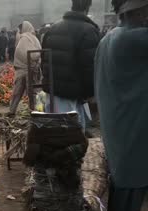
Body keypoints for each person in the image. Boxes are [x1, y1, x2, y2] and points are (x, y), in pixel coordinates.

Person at [95, 0, 148, 211]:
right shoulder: (135, 38)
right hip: (133, 115)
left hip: (116, 114)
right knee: (134, 173)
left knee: (121, 172)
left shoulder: (110, 36)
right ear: (137, 12)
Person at [41, 0, 100, 130]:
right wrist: (90, 94)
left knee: (54, 133)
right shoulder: (89, 31)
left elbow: (43, 60)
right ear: (88, 8)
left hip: (53, 92)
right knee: (72, 135)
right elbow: (89, 68)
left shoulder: (53, 29)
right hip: (72, 95)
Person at [9, 21, 42, 115]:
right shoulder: (34, 38)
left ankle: (12, 111)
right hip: (33, 68)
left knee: (18, 92)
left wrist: (32, 60)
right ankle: (40, 111)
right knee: (36, 92)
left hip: (23, 68)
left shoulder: (24, 38)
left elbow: (30, 54)